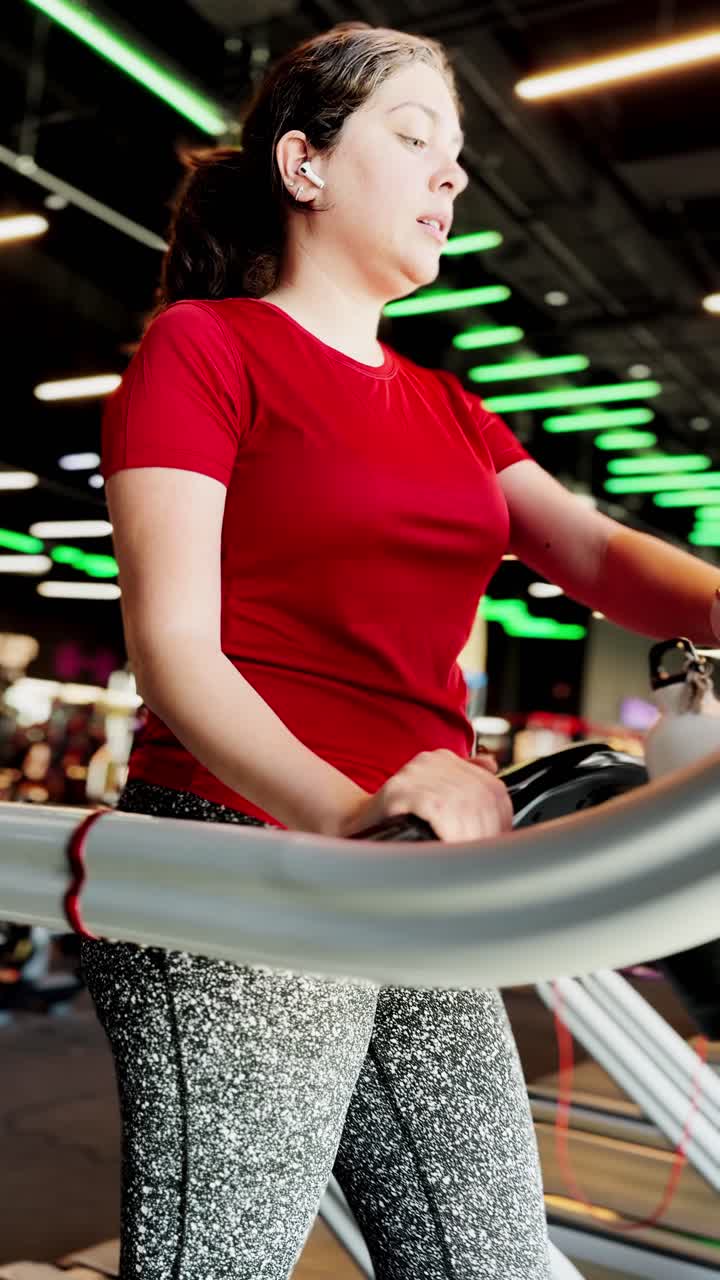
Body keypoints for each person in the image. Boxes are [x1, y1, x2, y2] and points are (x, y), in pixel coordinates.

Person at [80, 21, 559, 1279]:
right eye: (415, 141)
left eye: (459, 156)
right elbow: (175, 650)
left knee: (490, 1260)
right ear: (304, 164)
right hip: (250, 856)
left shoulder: (454, 406)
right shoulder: (208, 345)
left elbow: (606, 553)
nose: (452, 176)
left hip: (403, 876)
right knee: (218, 1266)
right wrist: (351, 818)